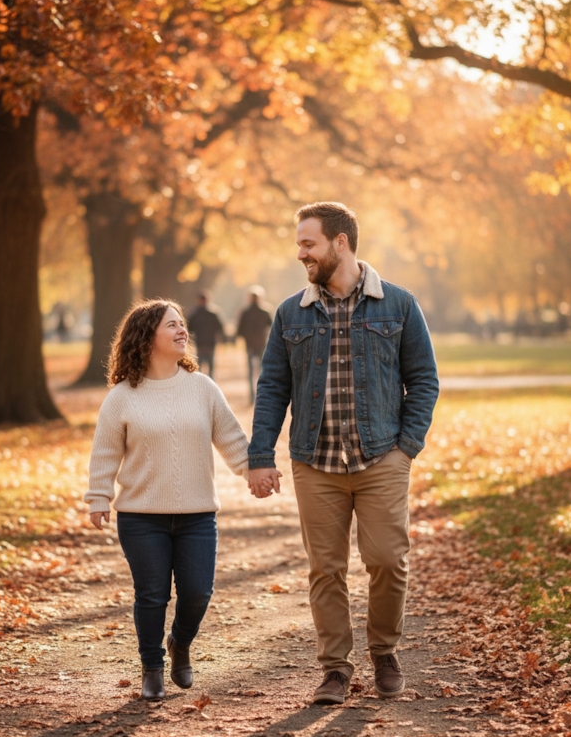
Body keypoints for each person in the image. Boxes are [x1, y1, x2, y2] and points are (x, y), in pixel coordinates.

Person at [248, 202, 439, 705]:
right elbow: (272, 387)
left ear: (340, 242)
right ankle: (335, 668)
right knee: (325, 569)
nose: (300, 254)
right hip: (316, 462)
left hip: (381, 458)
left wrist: (406, 448)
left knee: (387, 560)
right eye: (298, 245)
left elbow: (423, 380)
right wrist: (260, 454)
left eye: (307, 244)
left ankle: (384, 653)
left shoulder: (398, 304)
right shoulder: (292, 312)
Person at [84, 299, 248, 701]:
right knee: (152, 593)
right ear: (147, 337)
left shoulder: (202, 388)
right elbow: (105, 452)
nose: (182, 331)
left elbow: (231, 438)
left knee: (197, 592)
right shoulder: (122, 396)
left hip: (197, 514)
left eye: (182, 324)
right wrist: (98, 496)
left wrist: (255, 470)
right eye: (171, 325)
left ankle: (181, 643)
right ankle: (152, 668)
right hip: (141, 516)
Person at [236, 286, 273, 404]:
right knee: (264, 372)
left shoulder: (245, 312)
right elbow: (272, 327)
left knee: (251, 371)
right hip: (262, 344)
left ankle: (252, 397)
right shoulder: (265, 311)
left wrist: (244, 338)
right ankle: (263, 396)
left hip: (250, 345)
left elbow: (240, 330)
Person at [187, 291, 226, 379]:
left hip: (202, 344)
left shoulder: (195, 314)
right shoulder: (213, 313)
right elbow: (220, 328)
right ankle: (210, 387)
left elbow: (188, 328)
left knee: (200, 369)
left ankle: (203, 388)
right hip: (208, 344)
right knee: (209, 370)